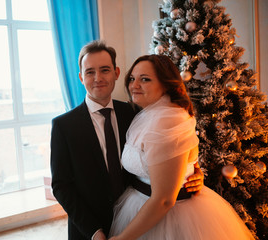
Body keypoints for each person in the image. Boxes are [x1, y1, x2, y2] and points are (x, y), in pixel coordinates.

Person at [50, 40, 204, 240]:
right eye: (90, 72)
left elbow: (171, 153)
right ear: (81, 77)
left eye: (105, 70)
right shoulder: (64, 126)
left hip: (139, 220)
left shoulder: (135, 113)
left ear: (116, 73)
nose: (98, 78)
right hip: (89, 227)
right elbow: (62, 186)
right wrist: (94, 232)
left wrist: (193, 174)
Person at [108, 55, 254, 240]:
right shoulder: (148, 113)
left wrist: (122, 238)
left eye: (145, 79)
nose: (134, 85)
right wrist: (194, 169)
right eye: (132, 78)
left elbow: (164, 200)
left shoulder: (167, 120)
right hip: (140, 203)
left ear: (166, 84)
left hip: (170, 215)